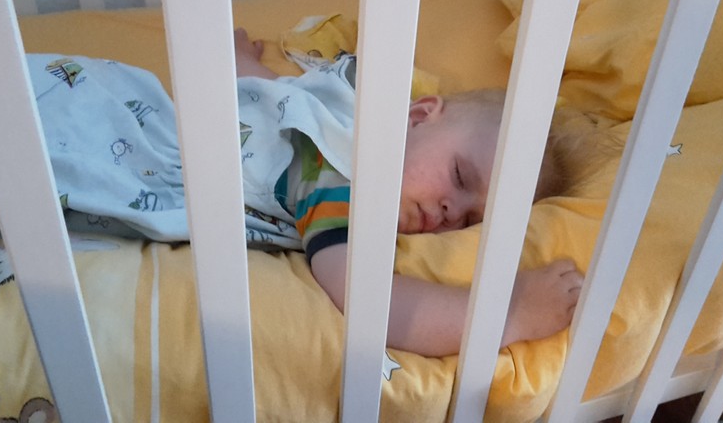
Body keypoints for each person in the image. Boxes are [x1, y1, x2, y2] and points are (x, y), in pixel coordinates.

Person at [234, 28, 584, 358]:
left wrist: (240, 62)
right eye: (460, 177)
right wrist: (509, 315)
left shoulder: (354, 114)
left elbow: (285, 100)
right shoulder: (339, 181)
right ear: (419, 114)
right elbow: (369, 302)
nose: (452, 211)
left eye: (471, 219)